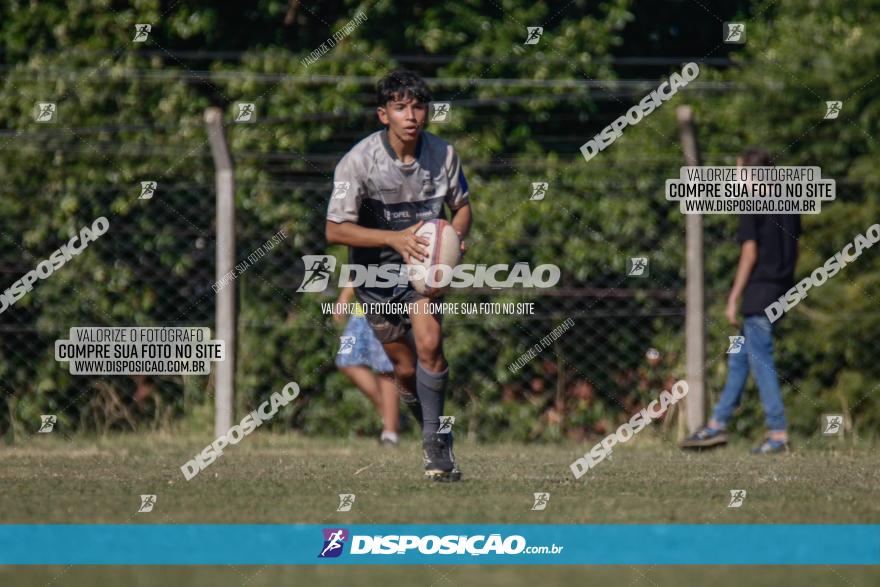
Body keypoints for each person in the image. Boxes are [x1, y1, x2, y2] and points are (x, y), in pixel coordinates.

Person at [325, 69, 472, 481]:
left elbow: (462, 206)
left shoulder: (443, 155)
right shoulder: (357, 163)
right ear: (382, 114)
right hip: (373, 276)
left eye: (418, 106)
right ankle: (426, 417)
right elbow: (335, 230)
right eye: (400, 107)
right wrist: (393, 239)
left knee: (430, 343)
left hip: (423, 274)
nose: (411, 115)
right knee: (404, 369)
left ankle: (436, 445)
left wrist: (454, 238)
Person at [681, 148, 800, 454]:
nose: (737, 178)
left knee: (761, 362)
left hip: (758, 295)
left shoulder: (752, 203)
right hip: (782, 290)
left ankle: (777, 433)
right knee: (738, 359)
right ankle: (717, 425)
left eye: (740, 172)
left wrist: (733, 297)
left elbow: (750, 253)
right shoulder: (789, 203)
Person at [334, 285, 400, 446]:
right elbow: (358, 267)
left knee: (385, 369)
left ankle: (389, 433)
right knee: (346, 360)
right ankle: (390, 413)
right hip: (360, 313)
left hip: (387, 309)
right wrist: (344, 297)